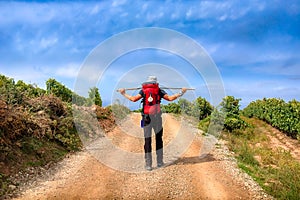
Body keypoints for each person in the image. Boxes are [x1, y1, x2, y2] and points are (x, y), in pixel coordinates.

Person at [119, 76, 187, 171]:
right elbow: (170, 98)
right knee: (159, 139)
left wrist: (123, 93)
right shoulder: (159, 90)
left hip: (146, 118)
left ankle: (148, 165)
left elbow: (133, 99)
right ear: (156, 82)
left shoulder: (143, 90)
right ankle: (159, 162)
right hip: (157, 118)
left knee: (147, 140)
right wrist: (181, 92)